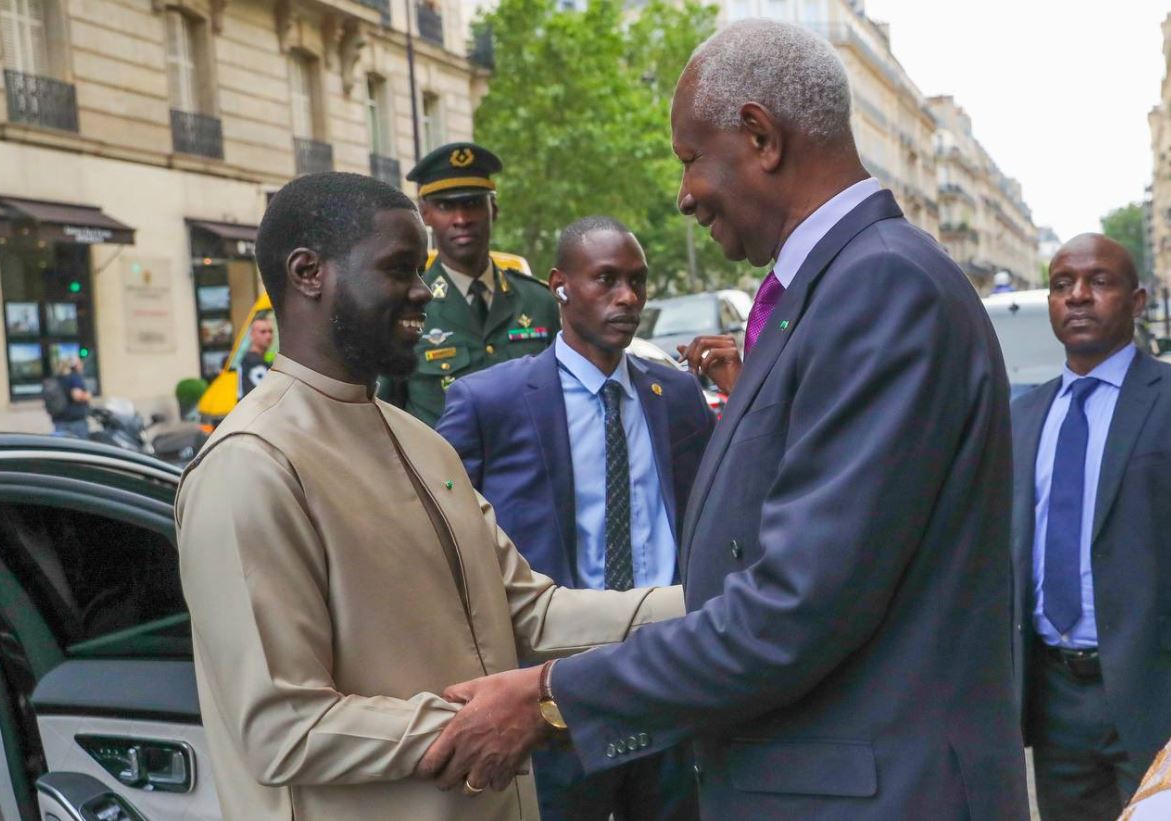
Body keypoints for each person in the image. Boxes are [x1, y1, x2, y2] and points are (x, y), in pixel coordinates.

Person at [416, 20, 1029, 820]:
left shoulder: (879, 289)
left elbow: (793, 607)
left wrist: (548, 695)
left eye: (688, 159)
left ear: (760, 136)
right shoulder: (837, 287)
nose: (682, 194)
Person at [174, 172, 684, 821]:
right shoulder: (249, 467)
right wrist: (512, 714)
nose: (422, 290)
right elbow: (283, 728)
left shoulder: (421, 443)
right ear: (308, 273)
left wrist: (716, 600)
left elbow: (533, 615)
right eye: (398, 269)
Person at [437, 217, 713, 821]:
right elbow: (440, 534)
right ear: (560, 286)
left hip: (667, 677)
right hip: (553, 689)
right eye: (607, 280)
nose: (628, 298)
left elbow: (717, 518)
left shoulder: (678, 397)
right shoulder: (491, 403)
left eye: (636, 282)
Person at [1009, 233, 1171, 819]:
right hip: (1054, 702)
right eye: (1061, 284)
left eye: (1099, 281)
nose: (1078, 296)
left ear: (1137, 300)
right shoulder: (1023, 418)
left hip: (1155, 695)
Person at [378, 142, 561, 427]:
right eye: (445, 206)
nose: (461, 219)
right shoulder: (403, 307)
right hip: (446, 470)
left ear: (494, 209)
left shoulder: (539, 302)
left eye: (473, 204)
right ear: (425, 214)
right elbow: (385, 414)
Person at [48, 357, 91, 438]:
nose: (82, 366)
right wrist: (88, 395)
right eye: (80, 363)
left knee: (62, 448)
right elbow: (77, 396)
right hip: (76, 422)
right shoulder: (74, 377)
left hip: (59, 421)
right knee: (82, 448)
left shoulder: (55, 379)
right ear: (75, 366)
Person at [237, 314, 274, 399]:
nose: (268, 336)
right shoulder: (254, 362)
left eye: (270, 331)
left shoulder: (247, 359)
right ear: (252, 335)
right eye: (263, 332)